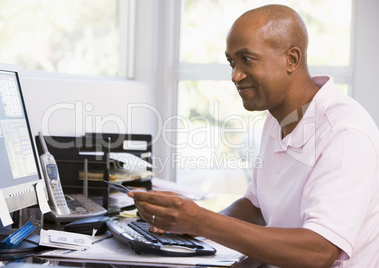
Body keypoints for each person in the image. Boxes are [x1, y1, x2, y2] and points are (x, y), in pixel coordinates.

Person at [128, 4, 379, 267]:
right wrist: (190, 224)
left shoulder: (346, 133)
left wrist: (203, 221)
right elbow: (256, 207)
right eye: (231, 62)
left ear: (291, 59)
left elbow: (318, 252)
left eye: (246, 59)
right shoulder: (277, 117)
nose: (235, 75)